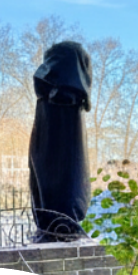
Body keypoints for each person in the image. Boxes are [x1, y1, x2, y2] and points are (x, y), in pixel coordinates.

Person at [28, 42, 92, 241]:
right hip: (60, 222)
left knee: (59, 174)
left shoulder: (56, 99)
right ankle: (60, 226)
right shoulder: (64, 100)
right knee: (59, 173)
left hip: (57, 222)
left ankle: (59, 225)